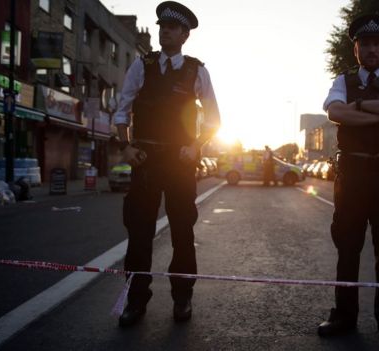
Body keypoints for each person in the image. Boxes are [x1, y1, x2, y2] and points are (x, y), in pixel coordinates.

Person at [113, 1, 220, 327]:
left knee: (182, 232)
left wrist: (195, 146)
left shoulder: (196, 70)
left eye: (172, 28)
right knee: (139, 233)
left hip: (179, 161)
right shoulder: (141, 65)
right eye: (161, 26)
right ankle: (136, 299)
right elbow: (122, 109)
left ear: (185, 35)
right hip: (144, 159)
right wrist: (125, 146)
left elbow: (214, 119)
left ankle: (182, 297)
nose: (165, 31)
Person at [318, 14, 379, 347]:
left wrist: (358, 107)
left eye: (377, 43)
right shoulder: (342, 80)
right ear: (356, 50)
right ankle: (344, 317)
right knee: (347, 249)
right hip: (352, 175)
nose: (371, 49)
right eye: (365, 44)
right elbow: (335, 112)